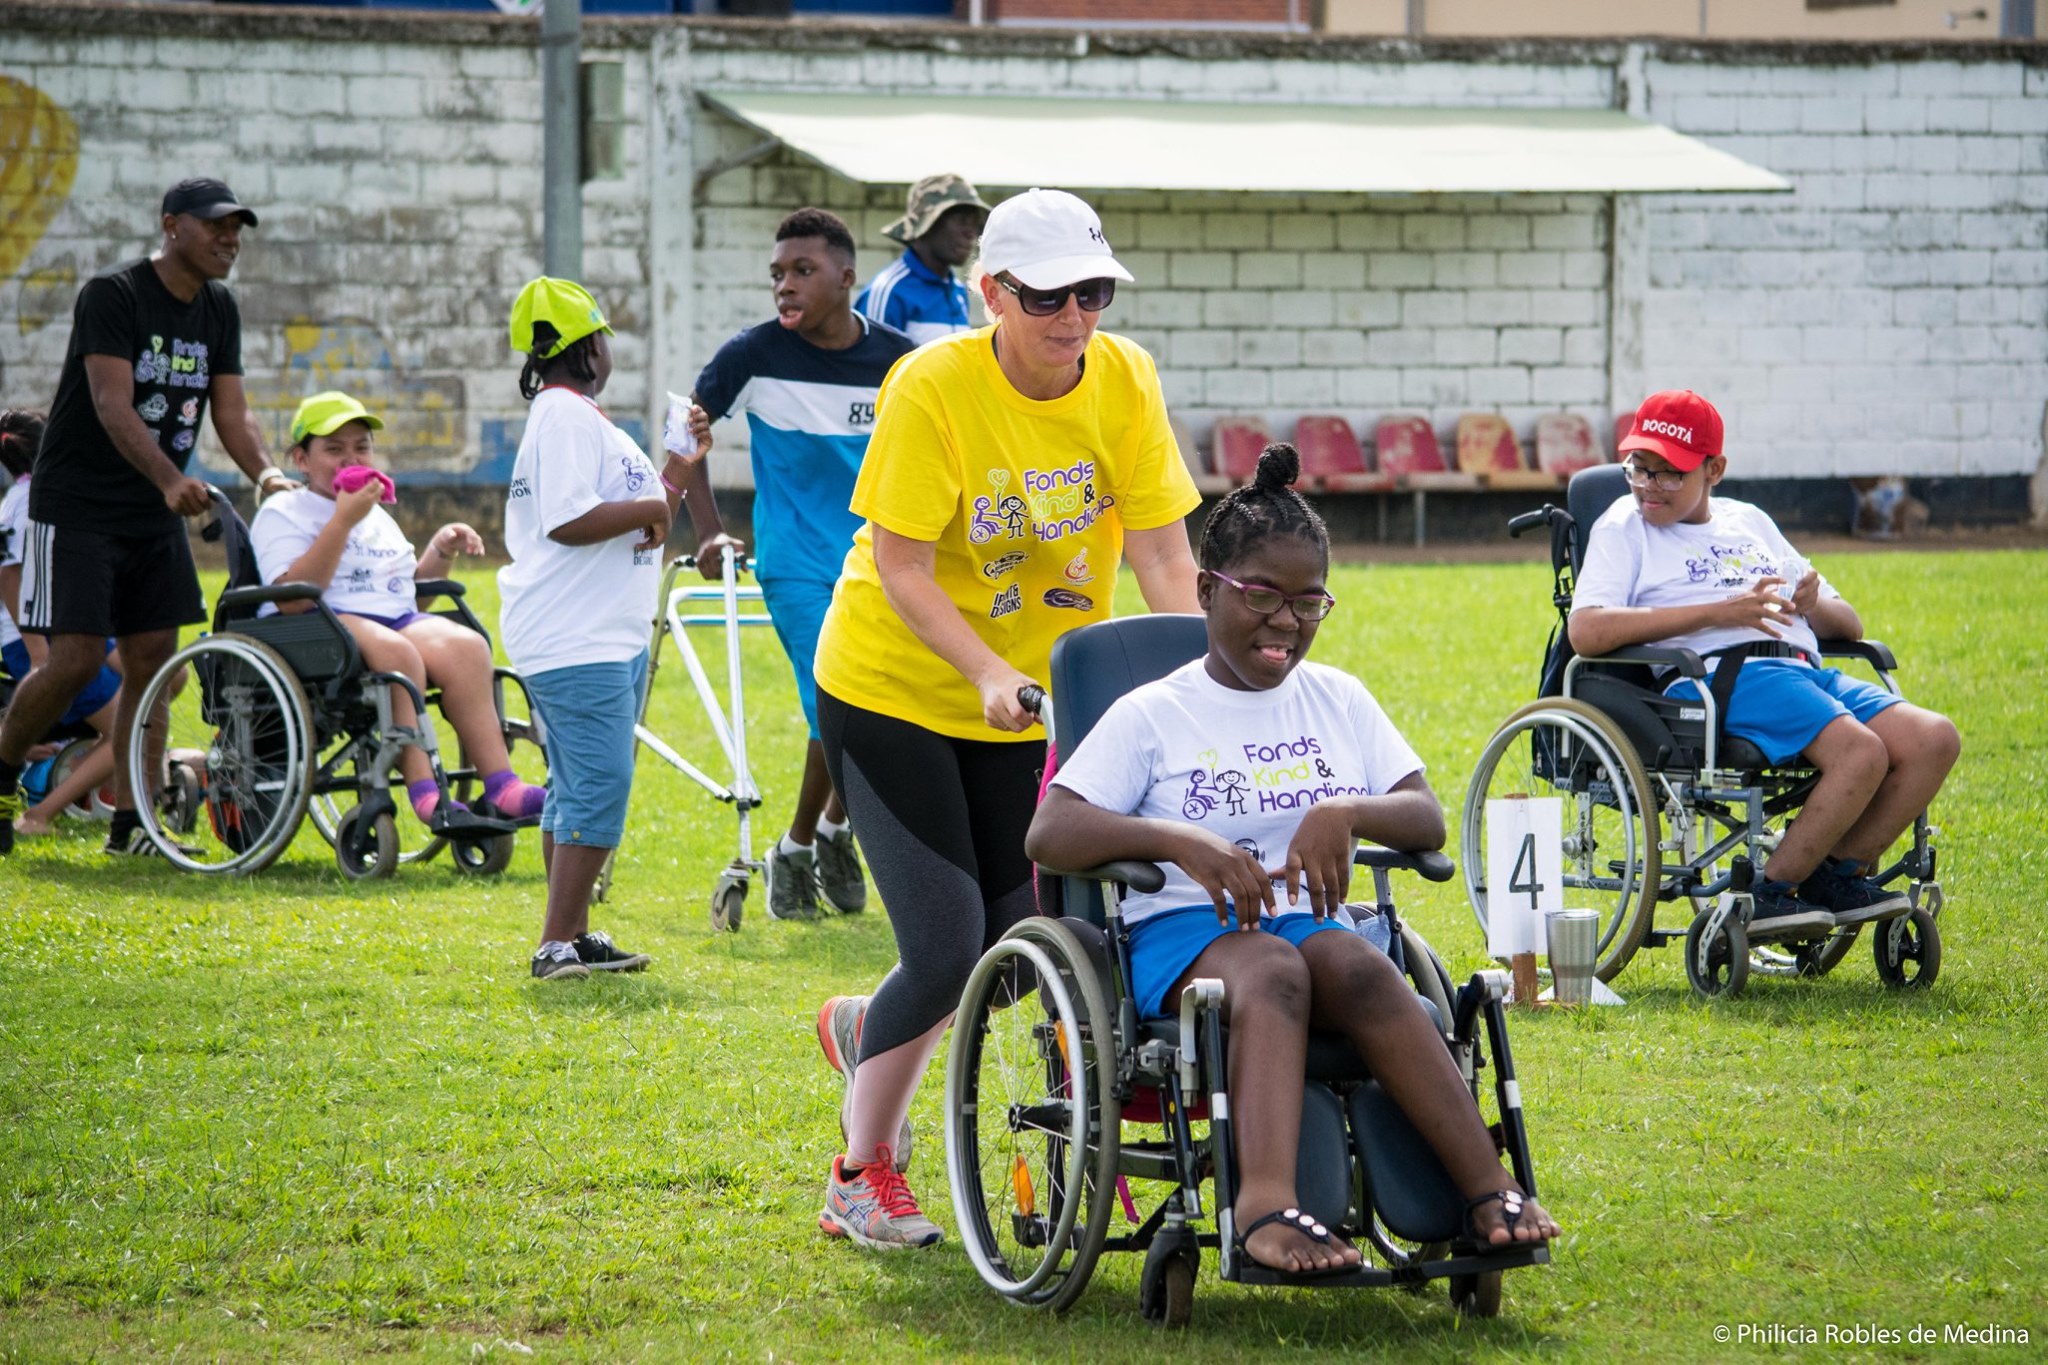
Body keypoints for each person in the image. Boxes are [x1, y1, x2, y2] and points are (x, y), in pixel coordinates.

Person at [1028, 444, 1562, 1275]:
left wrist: (1343, 810)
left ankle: (1486, 1187)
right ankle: (1264, 1205)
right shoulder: (1152, 713)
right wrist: (1181, 841)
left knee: (1355, 960)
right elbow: (1051, 832)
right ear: (1207, 590)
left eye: (1309, 601)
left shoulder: (1337, 697)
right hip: (1182, 932)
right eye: (1262, 597)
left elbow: (1422, 817)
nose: (1287, 621)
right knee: (1275, 968)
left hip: (1306, 923)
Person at [809, 188, 1202, 1250]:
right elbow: (897, 566)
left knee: (1017, 937)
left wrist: (1220, 681)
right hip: (894, 689)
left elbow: (1165, 551)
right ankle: (859, 1173)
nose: (1074, 317)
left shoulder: (1124, 379)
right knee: (945, 951)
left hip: (1036, 705)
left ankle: (862, 1027)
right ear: (992, 294)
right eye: (1045, 298)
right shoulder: (932, 384)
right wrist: (982, 668)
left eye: (1092, 292)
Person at [1568, 390, 1961, 937]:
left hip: (1802, 667)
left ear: (1714, 470)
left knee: (1934, 739)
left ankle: (1835, 874)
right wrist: (1719, 612)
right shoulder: (1623, 525)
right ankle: (1768, 892)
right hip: (1721, 676)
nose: (1647, 485)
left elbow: (1849, 626)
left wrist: (1811, 602)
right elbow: (1586, 629)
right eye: (1639, 467)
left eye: (1669, 474)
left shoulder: (1749, 521)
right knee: (1860, 753)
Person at [0, 177, 295, 857]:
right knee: (73, 659)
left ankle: (133, 822)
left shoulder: (218, 309)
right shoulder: (115, 294)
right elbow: (111, 403)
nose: (231, 239)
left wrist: (269, 474)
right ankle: (3, 770)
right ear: (171, 226)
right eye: (217, 225)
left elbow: (231, 411)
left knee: (154, 664)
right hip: (77, 505)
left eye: (237, 228)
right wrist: (170, 478)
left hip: (151, 508)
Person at [678, 208, 917, 921]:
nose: (785, 286)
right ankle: (806, 845)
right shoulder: (750, 356)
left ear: (847, 280)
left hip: (881, 563)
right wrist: (710, 532)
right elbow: (683, 435)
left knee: (882, 708)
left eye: (802, 272)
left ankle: (814, 838)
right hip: (794, 564)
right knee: (839, 703)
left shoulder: (900, 361)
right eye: (778, 274)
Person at [500, 277, 696, 982]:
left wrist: (675, 470)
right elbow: (568, 518)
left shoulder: (580, 418)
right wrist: (654, 508)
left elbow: (639, 517)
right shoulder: (564, 417)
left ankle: (574, 937)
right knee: (600, 784)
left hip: (599, 633)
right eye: (604, 337)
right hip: (576, 637)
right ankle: (555, 943)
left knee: (573, 785)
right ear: (587, 345)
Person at [249, 390, 547, 829]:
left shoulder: (375, 512)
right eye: (334, 449)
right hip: (317, 625)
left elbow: (405, 598)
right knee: (400, 654)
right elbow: (292, 596)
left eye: (361, 447)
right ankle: (425, 791)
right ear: (301, 459)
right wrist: (342, 521)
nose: (351, 458)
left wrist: (440, 550)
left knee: (468, 647)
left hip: (390, 622)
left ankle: (502, 786)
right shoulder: (284, 511)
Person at [0, 407, 120, 836]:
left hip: (68, 627)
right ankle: (39, 814)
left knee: (165, 677)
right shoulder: (28, 502)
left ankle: (136, 785)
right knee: (126, 727)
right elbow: (8, 574)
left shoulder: (41, 495)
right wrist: (38, 652)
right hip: (42, 639)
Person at [855, 173, 990, 347]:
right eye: (961, 220)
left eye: (975, 223)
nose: (970, 233)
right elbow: (870, 368)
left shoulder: (957, 290)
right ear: (926, 223)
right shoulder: (889, 292)